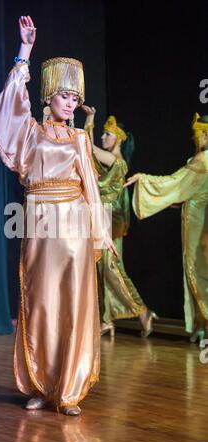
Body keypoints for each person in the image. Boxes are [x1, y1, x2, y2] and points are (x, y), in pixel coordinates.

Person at [0, 16, 117, 415]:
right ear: (48, 98)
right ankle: (41, 383)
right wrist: (24, 50)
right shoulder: (31, 134)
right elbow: (9, 100)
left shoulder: (79, 139)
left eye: (75, 99)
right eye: (64, 97)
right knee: (41, 302)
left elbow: (91, 187)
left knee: (72, 303)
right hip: (39, 223)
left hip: (73, 224)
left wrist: (101, 231)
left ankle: (70, 389)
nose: (70, 104)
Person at [125, 113, 208, 346]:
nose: (194, 138)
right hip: (197, 219)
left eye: (197, 134)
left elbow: (173, 183)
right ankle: (201, 324)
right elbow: (182, 190)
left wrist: (144, 178)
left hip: (199, 223)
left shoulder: (202, 160)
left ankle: (205, 323)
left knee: (197, 271)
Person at [83, 107, 157, 337]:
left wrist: (90, 119)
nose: (103, 137)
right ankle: (106, 320)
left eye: (108, 134)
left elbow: (85, 146)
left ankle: (142, 310)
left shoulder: (115, 159)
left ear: (119, 139)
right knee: (102, 268)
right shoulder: (110, 159)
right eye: (103, 133)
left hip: (111, 217)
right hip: (103, 213)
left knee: (112, 267)